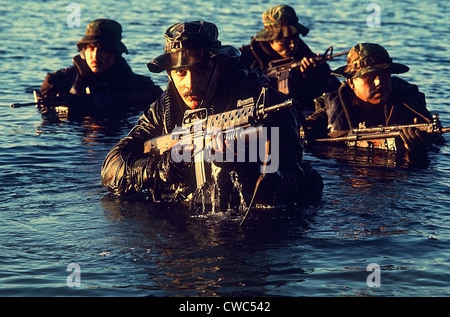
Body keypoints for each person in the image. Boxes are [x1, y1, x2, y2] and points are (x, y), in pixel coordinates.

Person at [101, 20, 323, 216]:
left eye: (201, 70)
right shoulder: (163, 109)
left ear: (218, 66)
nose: (191, 84)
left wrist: (244, 167)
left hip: (251, 228)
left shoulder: (265, 103)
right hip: (179, 222)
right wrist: (162, 167)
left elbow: (292, 181)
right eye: (181, 73)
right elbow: (111, 170)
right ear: (169, 74)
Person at [303, 42, 444, 154]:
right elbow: (301, 137)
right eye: (369, 77)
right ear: (351, 83)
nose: (379, 82)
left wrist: (420, 146)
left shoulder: (409, 103)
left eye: (385, 75)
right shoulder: (332, 109)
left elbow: (438, 143)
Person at [38, 18, 163, 119]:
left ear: (116, 53)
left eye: (103, 50)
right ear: (84, 52)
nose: (96, 56)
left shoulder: (141, 85)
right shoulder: (58, 81)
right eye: (91, 48)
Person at [239, 4, 340, 113]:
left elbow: (335, 92)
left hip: (300, 114)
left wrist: (315, 76)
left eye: (295, 37)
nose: (292, 45)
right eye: (285, 40)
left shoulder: (306, 55)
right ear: (270, 39)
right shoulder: (246, 57)